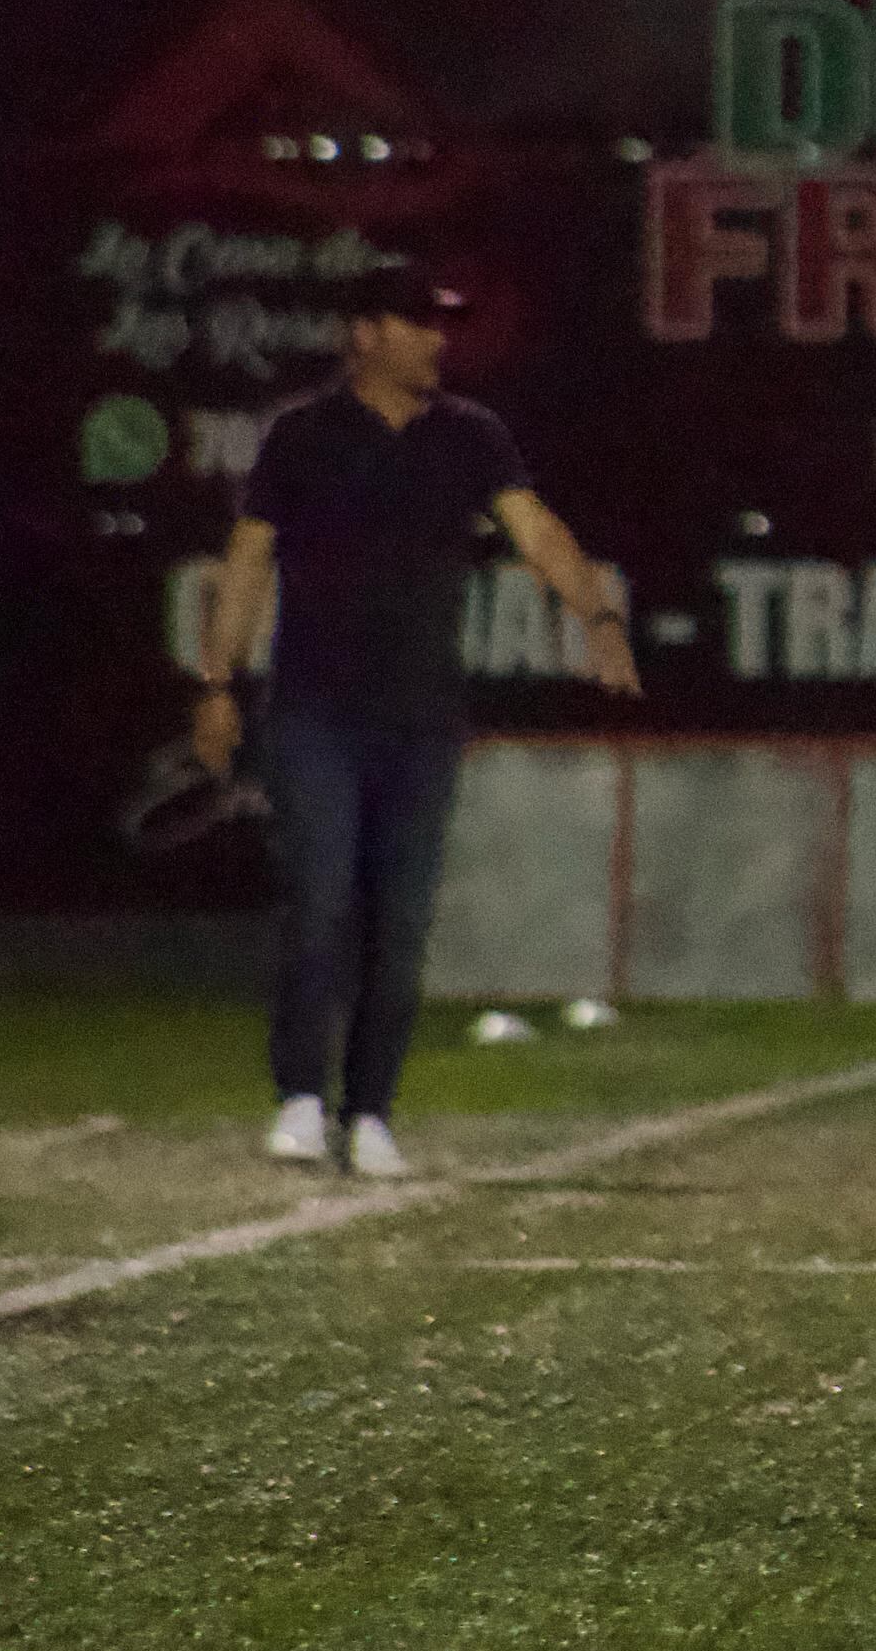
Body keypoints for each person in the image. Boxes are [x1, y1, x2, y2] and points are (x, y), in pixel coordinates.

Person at [194, 269, 638, 1176]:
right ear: (364, 334)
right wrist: (218, 680)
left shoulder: (470, 435)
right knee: (319, 903)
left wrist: (597, 616)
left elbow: (535, 529)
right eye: (416, 323)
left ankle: (372, 1111)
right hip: (316, 710)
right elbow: (247, 560)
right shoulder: (303, 436)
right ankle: (301, 1099)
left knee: (400, 923)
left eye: (441, 324)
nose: (436, 340)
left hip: (423, 717)